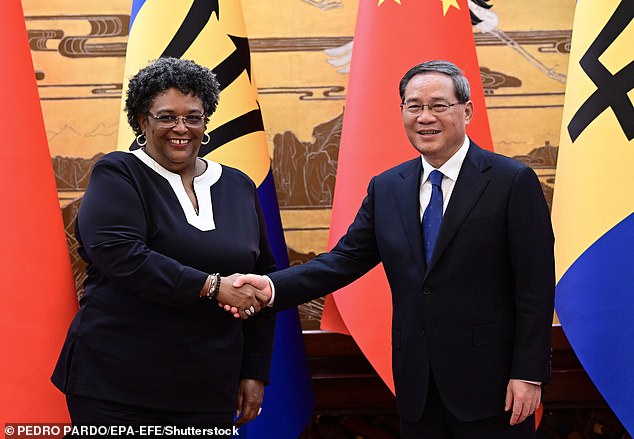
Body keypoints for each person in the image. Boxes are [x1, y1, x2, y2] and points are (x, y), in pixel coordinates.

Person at [230, 60, 555, 438]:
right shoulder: (388, 187)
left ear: (466, 110)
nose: (424, 117)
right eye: (413, 106)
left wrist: (529, 373)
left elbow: (534, 286)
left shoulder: (511, 182)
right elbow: (343, 260)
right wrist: (271, 287)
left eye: (439, 105)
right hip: (417, 385)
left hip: (494, 386)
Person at [52, 57, 274, 431]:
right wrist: (213, 287)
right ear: (141, 120)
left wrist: (254, 369)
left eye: (193, 117)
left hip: (208, 386)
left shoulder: (238, 185)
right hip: (118, 386)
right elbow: (122, 256)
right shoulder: (118, 173)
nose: (181, 128)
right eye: (166, 117)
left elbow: (263, 277)